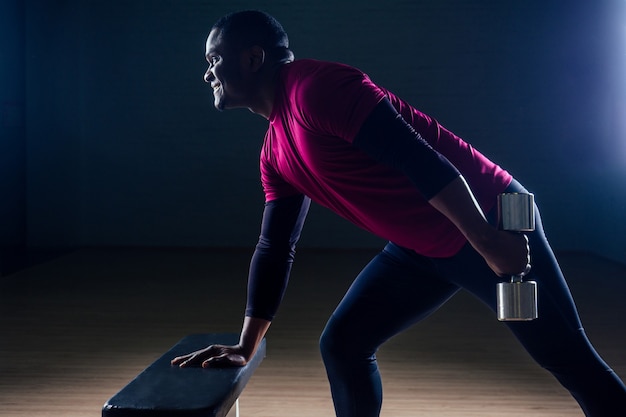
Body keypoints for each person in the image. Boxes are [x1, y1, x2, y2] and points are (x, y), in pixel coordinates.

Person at [171, 10, 626, 416]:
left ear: (253, 58)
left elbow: (417, 158)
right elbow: (275, 246)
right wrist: (245, 346)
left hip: (494, 219)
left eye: (215, 59)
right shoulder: (275, 152)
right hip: (421, 247)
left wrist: (488, 242)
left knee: (566, 355)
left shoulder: (316, 89)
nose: (208, 72)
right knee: (344, 345)